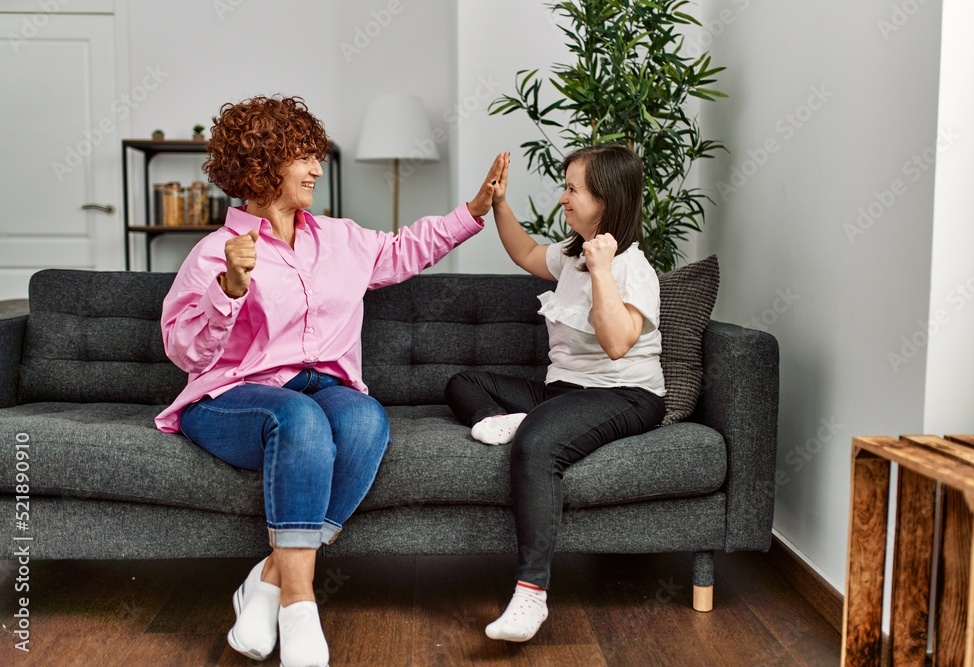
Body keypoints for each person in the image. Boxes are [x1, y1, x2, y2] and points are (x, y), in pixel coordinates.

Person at [155, 95, 502, 667]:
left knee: (365, 418)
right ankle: (298, 603)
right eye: (303, 157)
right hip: (231, 398)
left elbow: (404, 249)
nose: (318, 168)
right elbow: (185, 353)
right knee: (299, 419)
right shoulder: (216, 252)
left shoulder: (340, 239)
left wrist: (472, 209)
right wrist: (230, 290)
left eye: (317, 156)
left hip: (322, 385)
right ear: (265, 163)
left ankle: (265, 580)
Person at [445, 146, 666, 642]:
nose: (563, 198)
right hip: (563, 390)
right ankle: (503, 419)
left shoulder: (634, 269)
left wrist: (604, 270)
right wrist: (499, 202)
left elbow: (615, 345)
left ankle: (531, 595)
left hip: (624, 393)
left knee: (539, 443)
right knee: (465, 382)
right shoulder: (571, 255)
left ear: (606, 199)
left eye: (573, 189)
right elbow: (524, 251)